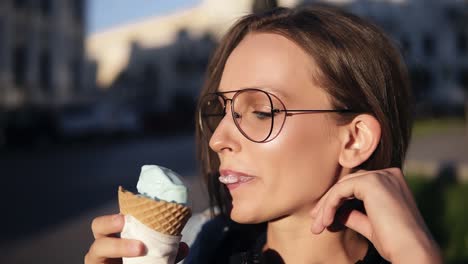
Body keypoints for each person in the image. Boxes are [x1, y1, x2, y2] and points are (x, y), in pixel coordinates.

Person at [85, 5, 442, 264]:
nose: (217, 139)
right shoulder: (195, 248)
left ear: (354, 140)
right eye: (221, 110)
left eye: (260, 111)